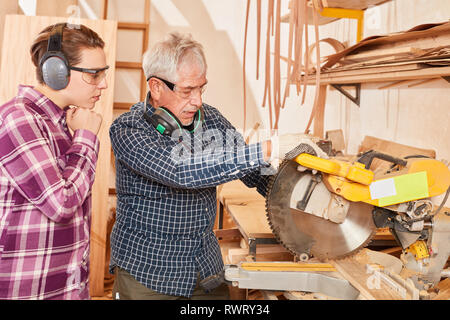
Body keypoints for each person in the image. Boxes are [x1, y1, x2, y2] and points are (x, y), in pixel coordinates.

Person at [109, 32, 304, 300]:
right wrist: (266, 149)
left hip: (205, 271)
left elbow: (253, 171)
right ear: (156, 87)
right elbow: (180, 170)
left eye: (201, 88)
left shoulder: (209, 118)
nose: (198, 100)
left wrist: (298, 191)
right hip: (148, 275)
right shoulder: (128, 129)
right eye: (188, 90)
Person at [0, 23, 108, 299]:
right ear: (56, 72)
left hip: (63, 287)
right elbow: (61, 203)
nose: (103, 84)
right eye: (94, 75)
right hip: (28, 290)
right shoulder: (19, 119)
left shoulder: (61, 122)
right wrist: (84, 138)